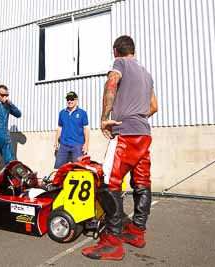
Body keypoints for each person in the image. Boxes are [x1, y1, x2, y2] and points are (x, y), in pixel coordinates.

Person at [81, 35, 158, 260]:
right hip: (144, 134)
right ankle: (137, 232)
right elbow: (154, 106)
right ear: (132, 50)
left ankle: (113, 241)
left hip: (126, 134)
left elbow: (111, 83)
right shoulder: (146, 74)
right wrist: (138, 116)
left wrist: (106, 117)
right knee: (142, 181)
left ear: (116, 51)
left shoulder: (120, 64)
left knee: (108, 181)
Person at [54, 91, 89, 169]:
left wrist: (86, 144)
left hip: (77, 145)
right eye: (68, 99)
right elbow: (60, 127)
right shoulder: (62, 113)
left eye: (72, 99)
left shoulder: (82, 113)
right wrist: (56, 141)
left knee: (78, 168)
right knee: (58, 169)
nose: (70, 101)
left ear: (76, 100)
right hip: (63, 145)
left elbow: (86, 129)